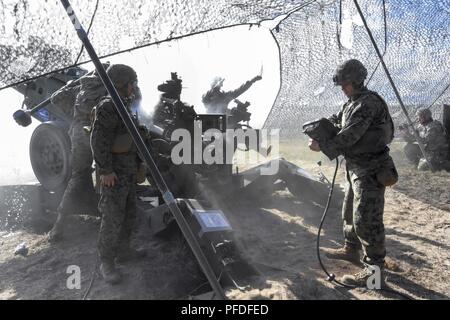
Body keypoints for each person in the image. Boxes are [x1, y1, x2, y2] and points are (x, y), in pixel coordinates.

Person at [309, 59, 397, 287]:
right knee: (349, 212)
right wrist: (322, 127)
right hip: (356, 167)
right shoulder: (353, 102)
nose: (342, 88)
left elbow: (350, 134)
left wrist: (323, 146)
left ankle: (375, 276)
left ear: (356, 80)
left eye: (345, 83)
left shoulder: (368, 103)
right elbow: (339, 120)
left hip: (371, 168)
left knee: (367, 220)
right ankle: (351, 250)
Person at [91, 64, 146, 284]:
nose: (135, 87)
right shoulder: (108, 106)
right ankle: (107, 262)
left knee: (129, 214)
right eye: (132, 82)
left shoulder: (125, 105)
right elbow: (98, 140)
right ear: (122, 84)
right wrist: (105, 170)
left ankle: (124, 251)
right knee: (112, 218)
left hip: (128, 171)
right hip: (113, 173)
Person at [48, 65, 109, 242]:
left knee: (78, 176)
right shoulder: (107, 87)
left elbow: (55, 98)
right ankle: (108, 220)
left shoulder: (80, 87)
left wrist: (70, 84)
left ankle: (58, 226)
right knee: (106, 172)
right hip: (99, 133)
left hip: (78, 134)